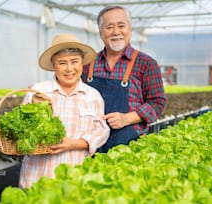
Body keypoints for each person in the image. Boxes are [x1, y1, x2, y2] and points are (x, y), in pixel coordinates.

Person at [19, 33, 110, 188]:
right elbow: (20, 132)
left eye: (74, 61)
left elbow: (101, 131)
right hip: (37, 179)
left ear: (82, 63)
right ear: (54, 65)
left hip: (76, 179)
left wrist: (74, 144)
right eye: (62, 63)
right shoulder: (38, 91)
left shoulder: (93, 96)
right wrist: (33, 107)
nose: (69, 69)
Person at [82, 5, 167, 153]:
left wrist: (126, 119)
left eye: (121, 25)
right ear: (101, 32)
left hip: (129, 146)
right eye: (109, 27)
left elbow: (157, 103)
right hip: (90, 143)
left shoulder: (146, 63)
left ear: (130, 29)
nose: (116, 32)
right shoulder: (87, 63)